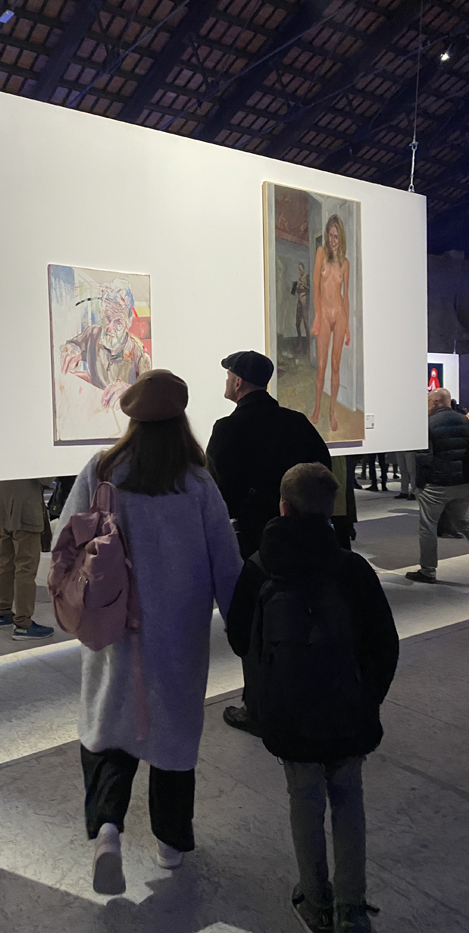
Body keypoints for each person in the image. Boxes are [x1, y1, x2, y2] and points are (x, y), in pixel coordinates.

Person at [56, 369, 241, 895]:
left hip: (114, 627)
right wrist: (243, 627)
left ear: (132, 418)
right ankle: (169, 843)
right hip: (179, 635)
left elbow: (64, 537)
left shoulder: (101, 470)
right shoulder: (197, 482)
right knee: (174, 736)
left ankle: (108, 830)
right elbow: (226, 562)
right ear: (181, 419)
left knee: (108, 725)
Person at [226, 463, 399, 933]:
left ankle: (316, 902)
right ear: (332, 508)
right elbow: (384, 643)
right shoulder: (352, 569)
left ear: (282, 507)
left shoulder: (260, 567)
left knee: (304, 800)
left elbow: (240, 638)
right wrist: (368, 699)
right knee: (349, 798)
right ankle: (352, 907)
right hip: (347, 710)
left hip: (290, 713)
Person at [207, 349, 331, 736]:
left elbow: (218, 491)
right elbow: (321, 471)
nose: (226, 381)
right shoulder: (296, 423)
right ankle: (305, 695)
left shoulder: (227, 429)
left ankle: (258, 707)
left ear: (238, 382)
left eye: (228, 376)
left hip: (254, 541)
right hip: (304, 535)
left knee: (255, 623)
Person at [406, 388, 469, 583]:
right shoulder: (465, 421)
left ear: (434, 403)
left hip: (436, 484)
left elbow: (424, 458)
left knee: (428, 527)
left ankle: (428, 570)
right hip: (462, 482)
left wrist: (420, 484)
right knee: (463, 523)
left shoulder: (428, 424)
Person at [60, 278, 151, 410]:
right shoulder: (92, 335)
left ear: (128, 322)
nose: (110, 328)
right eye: (107, 319)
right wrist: (71, 348)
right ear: (102, 314)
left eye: (118, 323)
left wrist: (131, 391)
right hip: (91, 411)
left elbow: (150, 396)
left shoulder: (139, 356)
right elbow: (72, 345)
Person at [0, 479, 56, 640]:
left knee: (6, 563)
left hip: (1, 503)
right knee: (26, 567)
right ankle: (23, 624)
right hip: (24, 506)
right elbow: (45, 478)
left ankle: (2, 613)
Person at [311, 214, 350, 433]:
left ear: (340, 237)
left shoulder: (345, 263)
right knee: (322, 365)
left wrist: (348, 327)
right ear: (327, 235)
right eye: (330, 235)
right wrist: (318, 316)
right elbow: (316, 286)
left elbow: (346, 296)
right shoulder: (321, 253)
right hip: (325, 315)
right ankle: (317, 408)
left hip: (340, 316)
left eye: (336, 236)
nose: (333, 240)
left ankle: (332, 411)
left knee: (336, 366)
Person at [294, 261, 310, 350]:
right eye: (298, 269)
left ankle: (308, 345)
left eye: (301, 269)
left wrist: (302, 284)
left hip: (304, 300)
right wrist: (296, 286)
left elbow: (309, 289)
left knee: (306, 323)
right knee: (297, 323)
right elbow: (295, 291)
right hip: (299, 301)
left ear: (303, 268)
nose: (300, 270)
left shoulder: (306, 277)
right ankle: (300, 343)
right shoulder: (299, 278)